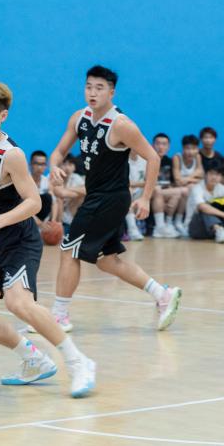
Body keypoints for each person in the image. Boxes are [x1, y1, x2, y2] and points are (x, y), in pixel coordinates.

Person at [0, 79, 96, 399]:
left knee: (19, 303)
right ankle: (33, 359)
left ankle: (78, 361)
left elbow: (34, 203)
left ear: (2, 116)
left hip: (18, 238)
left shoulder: (11, 155)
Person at [47, 66, 182, 333]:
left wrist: (145, 198)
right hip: (96, 196)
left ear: (111, 92)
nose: (93, 92)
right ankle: (162, 294)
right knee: (107, 260)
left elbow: (153, 158)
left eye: (99, 88)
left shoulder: (121, 125)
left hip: (110, 199)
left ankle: (59, 315)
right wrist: (54, 166)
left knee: (69, 249)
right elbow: (59, 151)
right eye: (89, 86)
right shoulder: (79, 118)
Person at [186, 166, 224, 243]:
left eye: (217, 174)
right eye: (211, 174)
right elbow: (202, 206)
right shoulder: (197, 188)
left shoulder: (221, 188)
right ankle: (219, 230)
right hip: (196, 229)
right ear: (205, 175)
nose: (214, 177)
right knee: (205, 207)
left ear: (221, 177)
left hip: (213, 229)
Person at [150, 133, 183, 238]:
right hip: (150, 191)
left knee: (177, 194)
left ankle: (168, 224)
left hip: (164, 191)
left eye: (164, 144)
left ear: (168, 147)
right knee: (161, 191)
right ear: (153, 145)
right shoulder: (147, 159)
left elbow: (173, 182)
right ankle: (161, 227)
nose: (161, 147)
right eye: (158, 144)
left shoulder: (169, 161)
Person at [171, 134, 204, 236]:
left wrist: (186, 179)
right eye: (187, 148)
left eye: (193, 148)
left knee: (193, 189)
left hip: (190, 188)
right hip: (177, 188)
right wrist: (194, 177)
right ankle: (179, 221)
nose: (190, 152)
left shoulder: (198, 157)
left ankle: (188, 222)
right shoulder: (177, 158)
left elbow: (201, 177)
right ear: (183, 148)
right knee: (189, 190)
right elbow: (177, 181)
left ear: (197, 149)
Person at [29, 150, 54, 224]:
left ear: (46, 166)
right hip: (27, 217)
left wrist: (53, 222)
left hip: (44, 219)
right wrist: (40, 224)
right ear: (30, 164)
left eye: (43, 164)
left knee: (51, 198)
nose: (39, 167)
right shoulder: (25, 181)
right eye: (36, 163)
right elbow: (22, 206)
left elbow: (54, 203)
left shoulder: (47, 182)